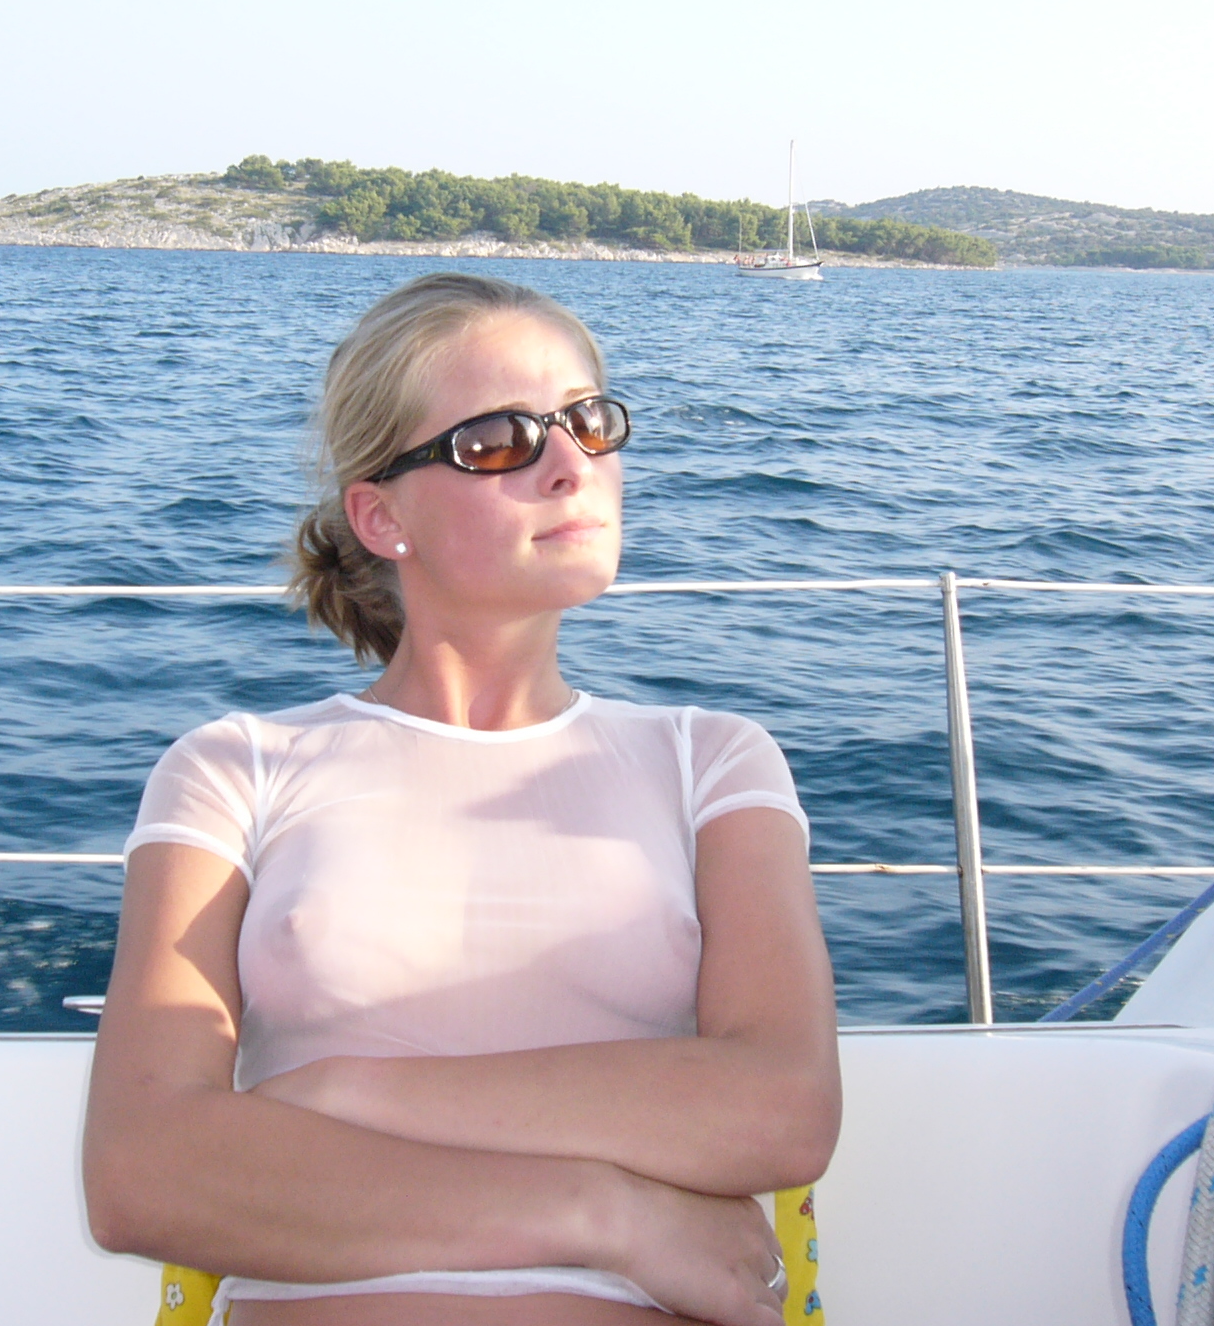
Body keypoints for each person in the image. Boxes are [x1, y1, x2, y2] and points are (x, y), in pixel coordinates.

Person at [83, 272, 841, 1326]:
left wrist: (344, 1093)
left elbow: (782, 1110)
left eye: (588, 421)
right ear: (380, 515)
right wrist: (604, 1215)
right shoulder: (234, 770)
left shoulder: (710, 763)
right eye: (497, 441)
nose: (571, 467)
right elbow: (142, 1172)